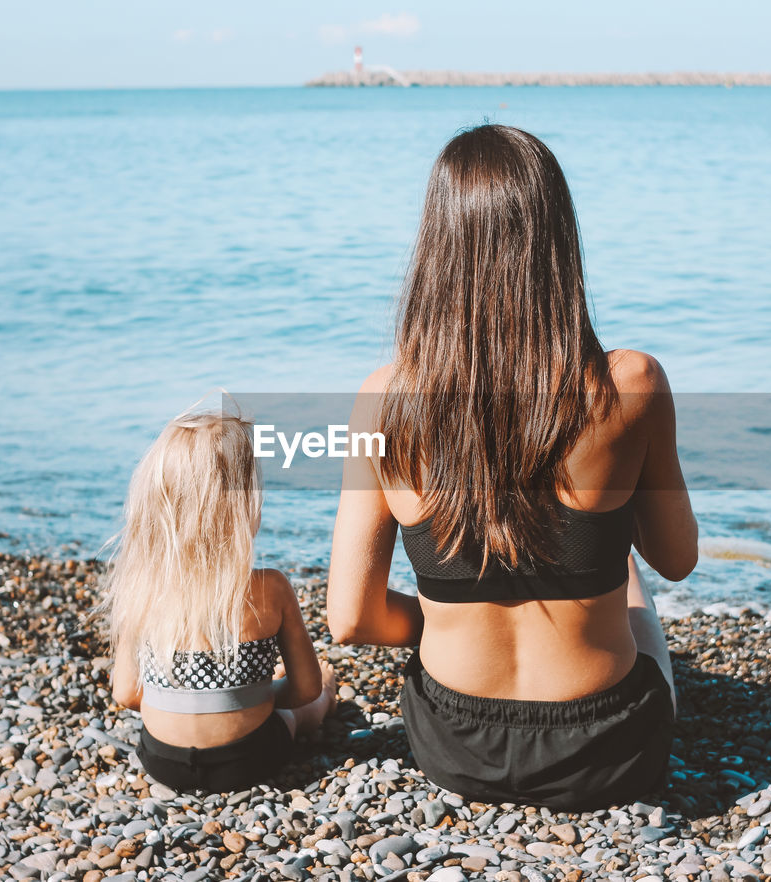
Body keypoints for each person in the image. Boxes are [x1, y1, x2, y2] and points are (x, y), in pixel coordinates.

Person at [326, 124, 698, 811]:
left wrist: (447, 614)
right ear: (556, 242)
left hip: (452, 747)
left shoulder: (384, 400)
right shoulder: (631, 383)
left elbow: (349, 620)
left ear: (437, 247)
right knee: (632, 583)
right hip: (605, 751)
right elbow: (676, 558)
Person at [101, 407, 336, 793]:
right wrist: (266, 696)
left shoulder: (142, 586)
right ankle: (326, 701)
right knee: (309, 705)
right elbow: (303, 688)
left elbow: (126, 694)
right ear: (245, 507)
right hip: (248, 758)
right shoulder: (270, 587)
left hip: (162, 760)